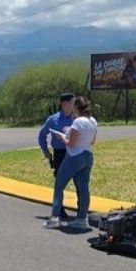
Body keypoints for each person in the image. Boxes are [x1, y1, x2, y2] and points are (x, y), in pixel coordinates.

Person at [43, 97, 98, 230]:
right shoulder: (93, 121)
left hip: (74, 156)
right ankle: (81, 219)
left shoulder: (78, 122)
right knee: (83, 188)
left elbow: (70, 143)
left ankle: (55, 217)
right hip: (88, 155)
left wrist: (62, 136)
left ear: (77, 108)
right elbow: (92, 141)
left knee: (59, 185)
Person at [37, 92, 76, 219]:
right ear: (64, 104)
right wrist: (45, 151)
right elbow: (42, 135)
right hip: (60, 154)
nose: (75, 105)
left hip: (75, 153)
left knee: (79, 182)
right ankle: (59, 210)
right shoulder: (53, 119)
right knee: (60, 184)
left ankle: (81, 211)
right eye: (72, 102)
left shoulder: (77, 118)